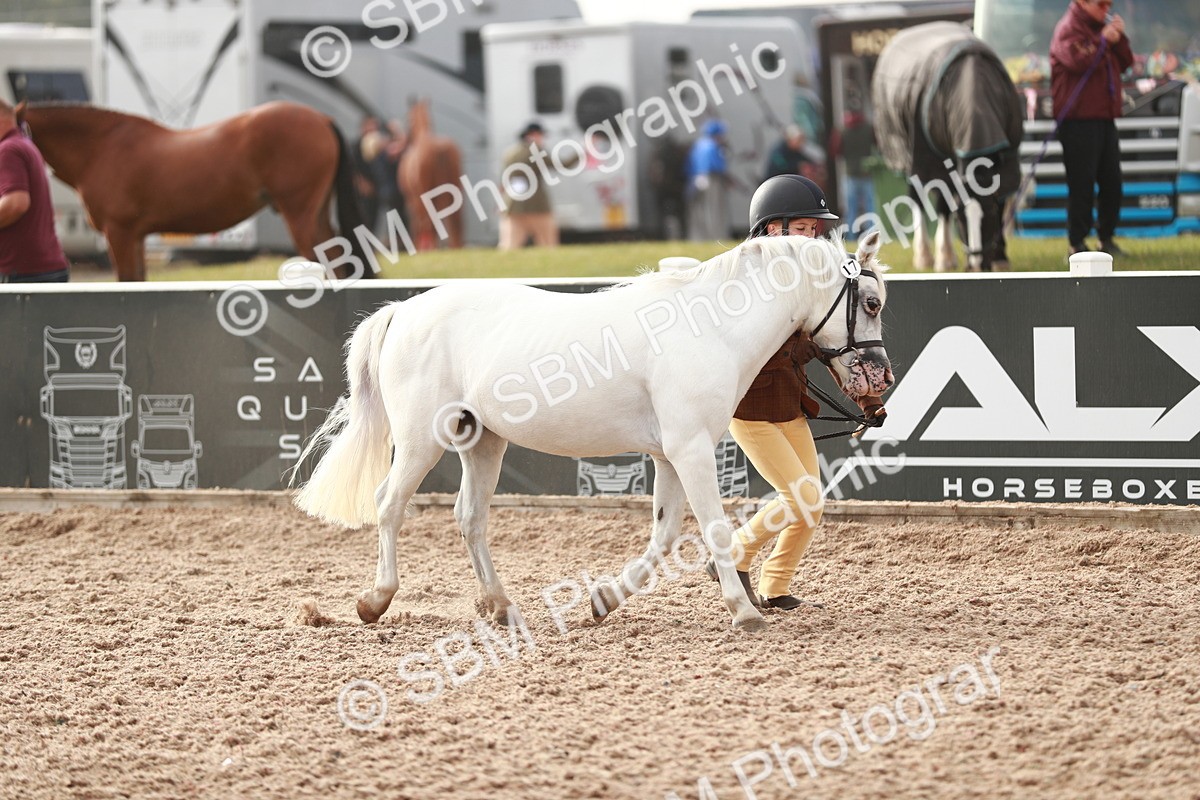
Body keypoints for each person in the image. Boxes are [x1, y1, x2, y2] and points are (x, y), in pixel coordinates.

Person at [705, 174, 887, 610]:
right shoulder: (744, 288)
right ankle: (730, 557)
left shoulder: (805, 286)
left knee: (812, 506)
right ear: (774, 230)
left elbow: (832, 347)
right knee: (800, 496)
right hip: (751, 411)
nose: (814, 238)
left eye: (814, 230)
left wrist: (866, 400)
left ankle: (775, 585)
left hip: (790, 406)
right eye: (804, 229)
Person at [1050, 0, 1133, 258]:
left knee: (1112, 182)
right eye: (1100, 4)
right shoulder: (1068, 29)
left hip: (1104, 118)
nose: (1106, 9)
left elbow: (1126, 63)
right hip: (1077, 121)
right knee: (1081, 184)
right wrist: (1104, 41)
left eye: (1109, 4)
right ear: (1082, 2)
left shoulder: (1102, 29)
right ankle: (1076, 243)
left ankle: (1106, 238)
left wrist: (1119, 39)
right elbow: (1078, 61)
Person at [0, 100, 69, 283]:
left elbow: (16, 203)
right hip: (42, 269)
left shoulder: (8, 150)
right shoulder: (24, 144)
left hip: (23, 274)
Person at [498, 121, 577, 249]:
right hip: (537, 207)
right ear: (533, 135)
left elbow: (504, 180)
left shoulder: (509, 153)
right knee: (548, 245)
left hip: (513, 206)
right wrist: (583, 151)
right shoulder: (536, 152)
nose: (543, 139)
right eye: (541, 135)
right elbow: (564, 165)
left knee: (509, 246)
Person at [830, 111, 877, 233]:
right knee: (870, 207)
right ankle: (871, 234)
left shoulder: (842, 130)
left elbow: (835, 150)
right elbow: (877, 144)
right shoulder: (868, 128)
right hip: (867, 172)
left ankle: (850, 235)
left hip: (849, 173)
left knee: (850, 209)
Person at [685, 119, 731, 241]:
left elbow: (689, 165)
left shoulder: (698, 145)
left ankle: (697, 238)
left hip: (695, 179)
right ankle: (716, 237)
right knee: (714, 210)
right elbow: (718, 166)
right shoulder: (713, 146)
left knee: (698, 211)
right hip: (712, 179)